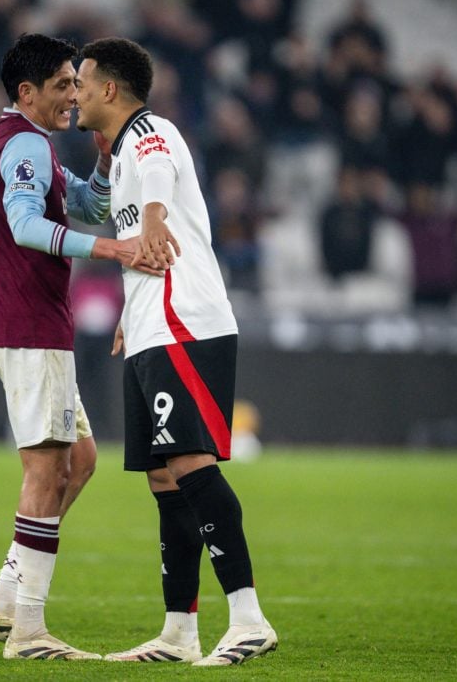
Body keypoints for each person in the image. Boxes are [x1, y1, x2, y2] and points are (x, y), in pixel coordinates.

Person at [74, 37, 278, 666]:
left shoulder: (149, 132)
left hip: (184, 321)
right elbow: (136, 240)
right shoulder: (120, 149)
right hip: (150, 323)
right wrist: (132, 315)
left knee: (190, 463)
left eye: (81, 83)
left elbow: (158, 176)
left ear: (110, 89)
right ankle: (178, 631)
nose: (75, 94)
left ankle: (248, 618)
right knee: (163, 477)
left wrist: (156, 214)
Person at [0, 33, 159, 661]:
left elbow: (85, 204)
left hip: (23, 319)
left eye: (77, 84)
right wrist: (112, 251)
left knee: (80, 458)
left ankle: (3, 601)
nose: (75, 96)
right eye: (62, 85)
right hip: (27, 321)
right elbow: (25, 226)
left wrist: (104, 163)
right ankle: (28, 629)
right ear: (28, 92)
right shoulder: (26, 142)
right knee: (48, 469)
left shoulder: (19, 140)